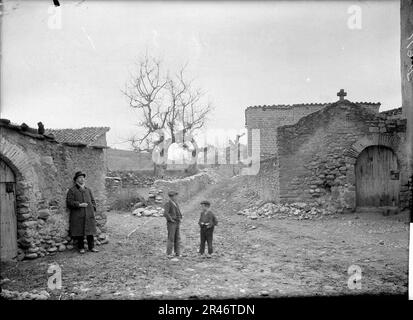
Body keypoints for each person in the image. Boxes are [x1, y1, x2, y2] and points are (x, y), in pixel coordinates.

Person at [66, 171, 99, 254]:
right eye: (80, 178)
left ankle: (91, 247)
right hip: (78, 214)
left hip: (89, 214)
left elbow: (92, 200)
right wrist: (79, 204)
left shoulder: (88, 190)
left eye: (83, 177)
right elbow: (69, 202)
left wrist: (93, 208)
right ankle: (81, 248)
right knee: (79, 232)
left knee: (90, 231)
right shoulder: (72, 190)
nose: (82, 179)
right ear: (76, 180)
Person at [163, 190, 183, 257]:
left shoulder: (176, 203)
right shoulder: (168, 203)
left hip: (177, 222)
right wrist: (171, 220)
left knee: (177, 237)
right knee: (171, 238)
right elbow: (165, 213)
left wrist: (180, 217)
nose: (176, 197)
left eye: (176, 196)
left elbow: (178, 211)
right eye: (175, 196)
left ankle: (177, 253)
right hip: (171, 223)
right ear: (171, 197)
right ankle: (169, 253)